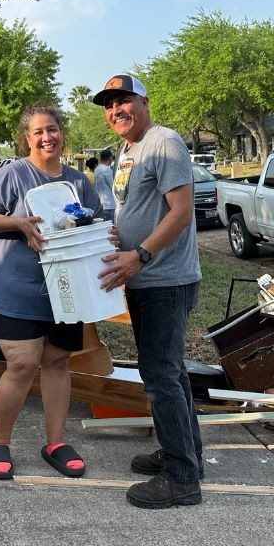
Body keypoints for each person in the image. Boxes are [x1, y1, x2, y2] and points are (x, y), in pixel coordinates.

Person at [0, 102, 103, 481]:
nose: (48, 137)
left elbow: (96, 221)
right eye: (39, 132)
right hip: (16, 289)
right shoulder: (12, 175)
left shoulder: (79, 181)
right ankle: (0, 441)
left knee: (58, 362)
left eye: (53, 130)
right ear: (27, 138)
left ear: (63, 134)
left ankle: (55, 442)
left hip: (65, 291)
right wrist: (17, 223)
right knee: (23, 363)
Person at [93, 74, 203, 509]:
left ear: (144, 100)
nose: (116, 110)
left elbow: (181, 212)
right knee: (169, 373)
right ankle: (184, 453)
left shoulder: (164, 142)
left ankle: (181, 478)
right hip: (144, 276)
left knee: (160, 377)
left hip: (165, 279)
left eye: (124, 100)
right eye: (109, 104)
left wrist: (139, 253)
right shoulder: (129, 149)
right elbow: (140, 205)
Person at [94, 147, 116, 222]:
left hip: (101, 203)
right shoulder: (107, 169)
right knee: (110, 228)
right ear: (110, 158)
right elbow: (113, 186)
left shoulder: (97, 169)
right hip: (110, 204)